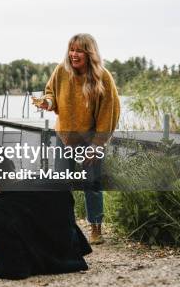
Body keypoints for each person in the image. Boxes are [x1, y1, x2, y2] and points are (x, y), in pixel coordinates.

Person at [38, 33, 121, 244]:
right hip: (64, 136)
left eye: (78, 50)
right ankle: (64, 228)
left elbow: (108, 114)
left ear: (89, 53)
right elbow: (51, 93)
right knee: (61, 184)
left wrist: (97, 145)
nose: (73, 54)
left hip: (91, 140)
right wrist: (47, 103)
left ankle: (96, 230)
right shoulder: (62, 70)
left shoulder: (103, 78)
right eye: (71, 49)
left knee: (91, 184)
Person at [0, 145, 91, 279]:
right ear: (12, 165)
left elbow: (14, 270)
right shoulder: (57, 183)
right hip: (72, 261)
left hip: (40, 264)